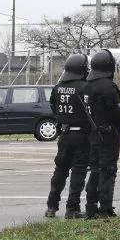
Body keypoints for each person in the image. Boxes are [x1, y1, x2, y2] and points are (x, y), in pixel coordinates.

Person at [45, 54, 92, 219]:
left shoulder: (58, 88)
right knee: (78, 171)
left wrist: (62, 119)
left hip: (64, 135)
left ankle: (51, 206)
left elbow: (53, 106)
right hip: (81, 135)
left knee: (60, 170)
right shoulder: (85, 87)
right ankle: (72, 209)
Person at [84, 49, 120, 219]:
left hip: (93, 134)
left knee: (95, 170)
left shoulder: (87, 85)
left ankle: (90, 207)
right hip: (108, 135)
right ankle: (106, 208)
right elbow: (116, 112)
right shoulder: (108, 87)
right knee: (108, 171)